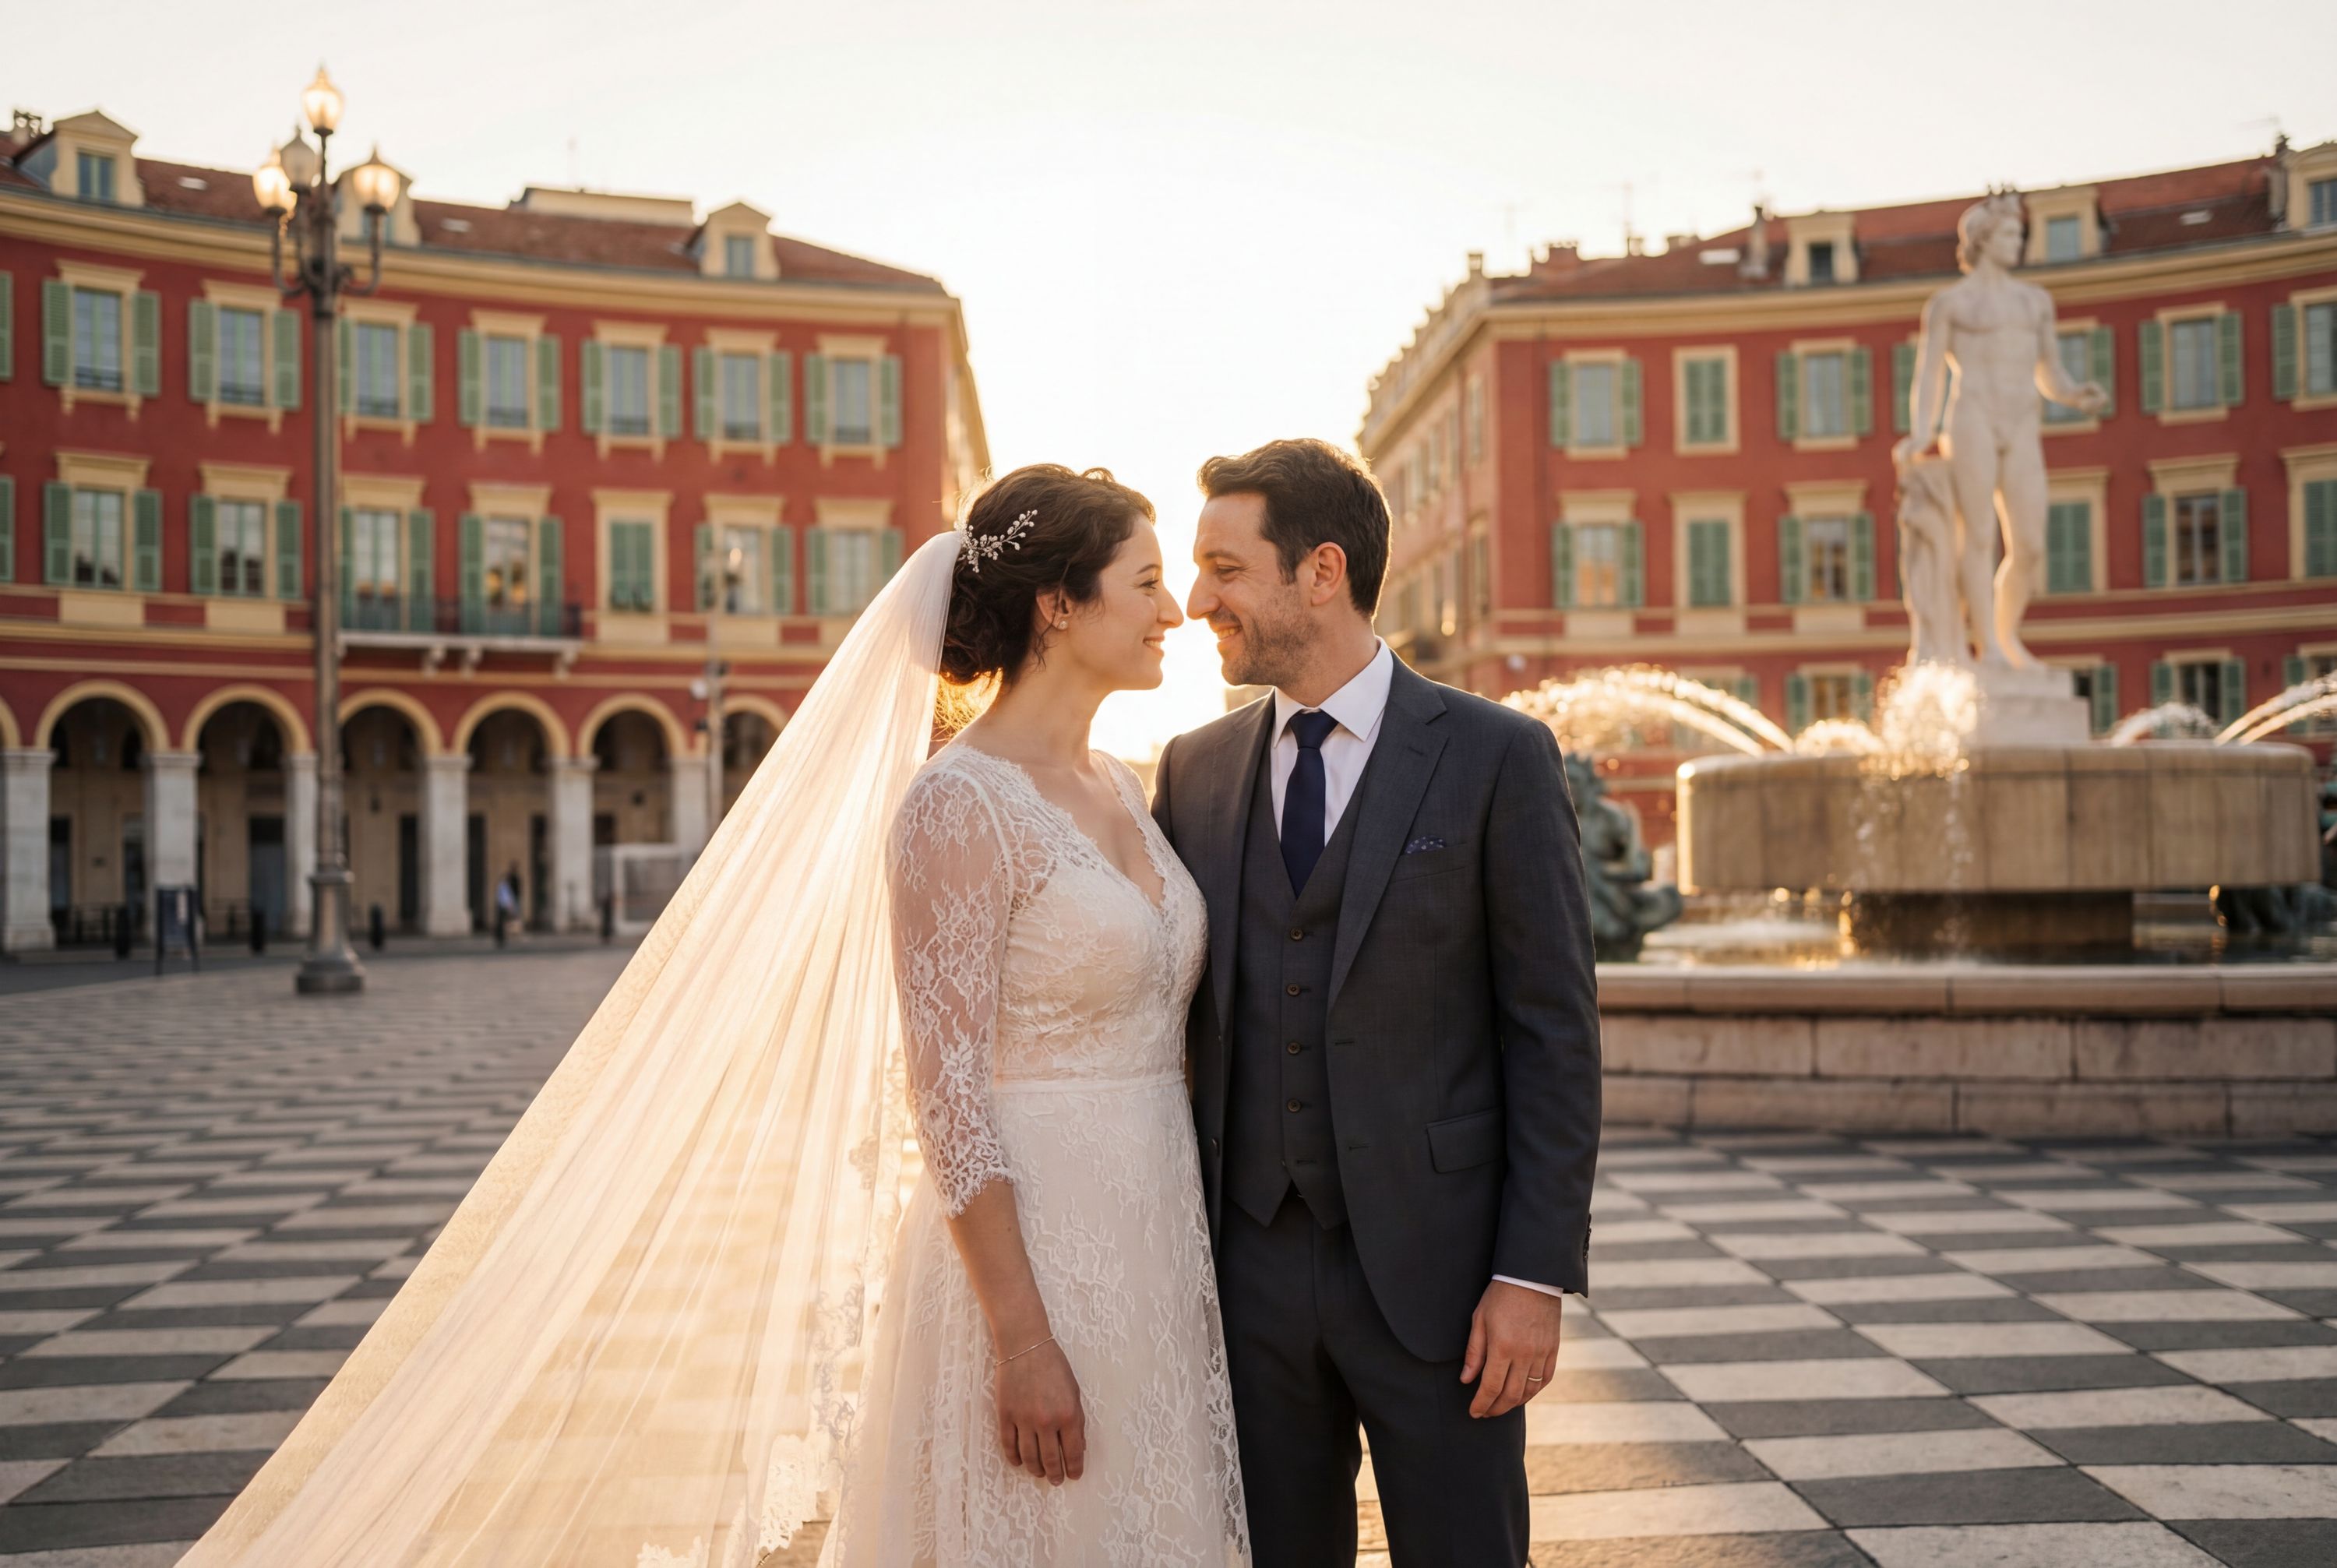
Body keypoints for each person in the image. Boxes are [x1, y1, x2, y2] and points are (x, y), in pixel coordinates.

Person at [176, 466, 1243, 1568]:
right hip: (1035, 1260)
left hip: (1156, 1239)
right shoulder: (958, 803)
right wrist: (1021, 1336)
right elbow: (947, 1093)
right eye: (1149, 581)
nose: (1175, 611)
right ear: (1058, 605)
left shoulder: (1126, 788)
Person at [1151, 438, 1602, 1566]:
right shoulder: (1193, 771)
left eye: (1224, 565)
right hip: (1245, 1277)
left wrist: (1531, 1274)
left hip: (1446, 1284)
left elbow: (1553, 1030)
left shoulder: (1499, 756)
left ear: (1322, 570)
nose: (1198, 597)